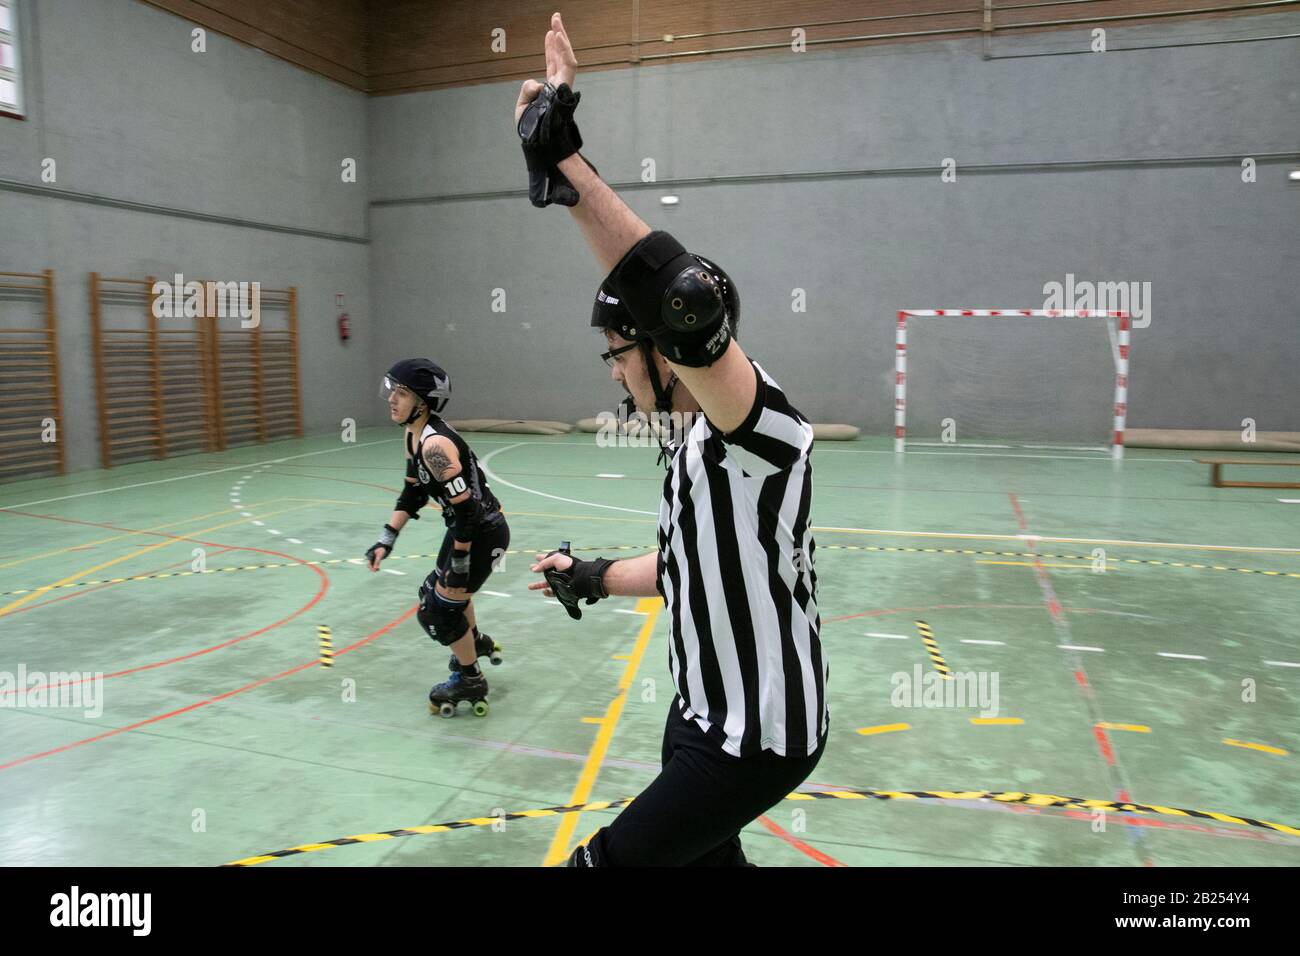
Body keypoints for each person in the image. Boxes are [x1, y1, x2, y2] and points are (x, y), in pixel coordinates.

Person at [521, 13, 829, 865]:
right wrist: (592, 575)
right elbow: (688, 562)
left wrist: (566, 165)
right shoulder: (688, 444)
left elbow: (682, 294)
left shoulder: (764, 433)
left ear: (665, 351)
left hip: (757, 734)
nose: (613, 373)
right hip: (700, 710)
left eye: (619, 354)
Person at [365, 358, 510, 717]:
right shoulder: (413, 436)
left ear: (423, 403)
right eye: (392, 391)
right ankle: (473, 643)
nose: (391, 400)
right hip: (466, 529)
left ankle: (469, 678)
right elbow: (413, 493)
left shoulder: (435, 446)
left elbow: (469, 511)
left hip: (482, 532)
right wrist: (387, 537)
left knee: (438, 612)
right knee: (438, 595)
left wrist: (460, 560)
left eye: (401, 393)